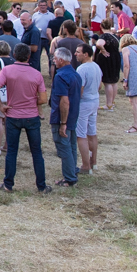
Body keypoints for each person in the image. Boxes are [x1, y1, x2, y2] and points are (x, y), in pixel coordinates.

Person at [0, 44, 50, 193]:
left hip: (13, 115)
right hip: (31, 116)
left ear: (14, 55)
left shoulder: (7, 70)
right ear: (29, 57)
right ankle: (41, 186)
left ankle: (8, 184)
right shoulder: (36, 74)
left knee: (12, 151)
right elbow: (43, 99)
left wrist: (0, 105)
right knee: (36, 152)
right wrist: (31, 100)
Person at [49, 47, 81, 187]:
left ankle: (69, 178)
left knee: (64, 146)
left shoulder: (60, 76)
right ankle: (72, 172)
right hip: (73, 116)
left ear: (61, 60)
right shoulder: (76, 75)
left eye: (55, 59)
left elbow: (64, 101)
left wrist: (63, 123)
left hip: (62, 118)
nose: (53, 61)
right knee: (72, 145)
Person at [74, 43, 101, 175]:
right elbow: (100, 86)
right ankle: (93, 162)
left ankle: (85, 165)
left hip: (84, 103)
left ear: (85, 54)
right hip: (94, 100)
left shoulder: (82, 69)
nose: (75, 54)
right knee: (92, 132)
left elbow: (80, 89)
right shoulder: (96, 66)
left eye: (78, 52)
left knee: (81, 134)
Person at [94, 19, 122, 111]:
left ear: (101, 27)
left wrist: (102, 50)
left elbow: (99, 44)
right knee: (113, 82)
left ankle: (109, 104)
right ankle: (112, 102)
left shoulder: (104, 36)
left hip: (107, 60)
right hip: (115, 59)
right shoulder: (115, 36)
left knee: (108, 82)